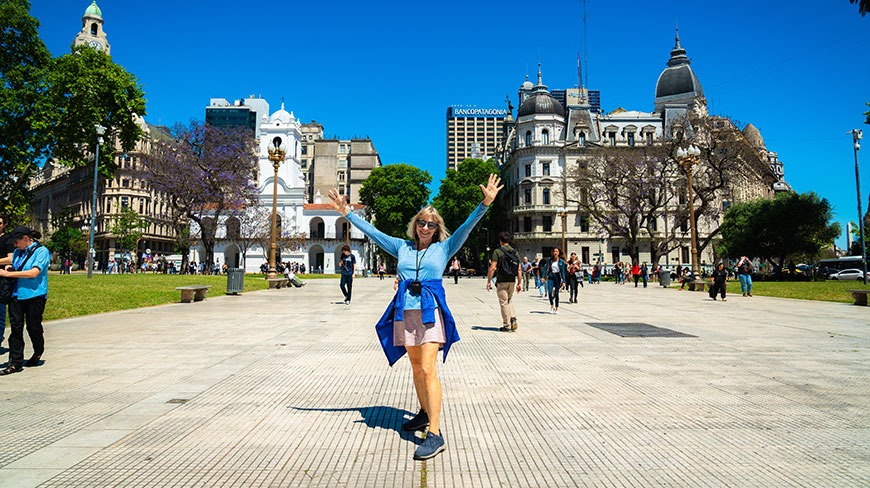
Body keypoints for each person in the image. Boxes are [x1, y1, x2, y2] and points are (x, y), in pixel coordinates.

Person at [326, 174, 501, 461]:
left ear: (437, 229)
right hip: (405, 311)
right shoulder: (401, 247)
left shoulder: (444, 248)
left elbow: (467, 227)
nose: (425, 227)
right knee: (416, 367)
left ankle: (435, 433)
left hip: (430, 313)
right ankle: (423, 411)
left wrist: (485, 203)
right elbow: (373, 233)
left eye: (431, 224)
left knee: (429, 369)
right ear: (415, 224)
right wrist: (347, 213)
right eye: (421, 222)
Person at [0, 227, 51, 375]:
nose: (15, 245)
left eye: (16, 242)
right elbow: (16, 265)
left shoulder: (42, 251)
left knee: (33, 326)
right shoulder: (17, 252)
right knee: (16, 328)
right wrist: (10, 268)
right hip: (16, 294)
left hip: (35, 295)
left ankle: (38, 351)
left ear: (25, 238)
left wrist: (7, 274)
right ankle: (15, 363)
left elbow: (34, 273)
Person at [488, 232, 521, 332]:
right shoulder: (515, 252)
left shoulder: (497, 252)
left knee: (503, 303)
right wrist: (519, 283)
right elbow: (519, 269)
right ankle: (513, 318)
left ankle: (507, 325)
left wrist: (489, 281)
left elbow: (492, 267)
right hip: (512, 280)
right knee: (509, 300)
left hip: (502, 281)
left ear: (500, 241)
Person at [0, 216, 16, 349]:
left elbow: (11, 259)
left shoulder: (7, 240)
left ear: (4, 225)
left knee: (0, 313)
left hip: (1, 279)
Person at [544, 248, 567, 314]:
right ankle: (552, 306)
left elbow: (562, 272)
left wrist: (564, 281)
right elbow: (546, 268)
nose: (555, 253)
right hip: (551, 276)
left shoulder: (561, 261)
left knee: (556, 293)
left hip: (557, 277)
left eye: (556, 251)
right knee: (550, 292)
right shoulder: (550, 260)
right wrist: (543, 277)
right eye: (554, 251)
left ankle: (557, 308)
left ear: (559, 253)